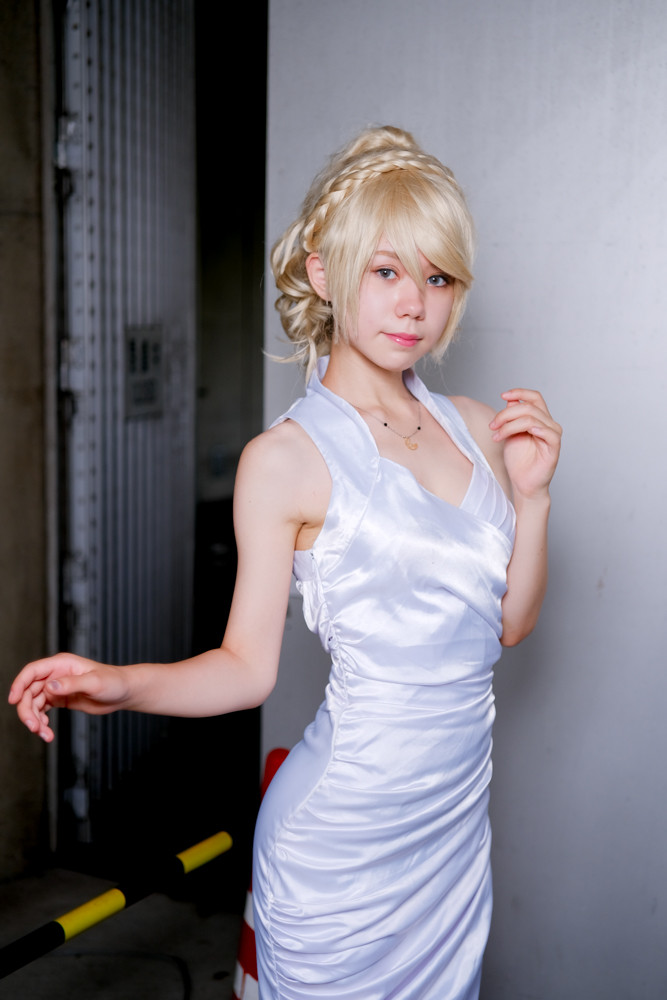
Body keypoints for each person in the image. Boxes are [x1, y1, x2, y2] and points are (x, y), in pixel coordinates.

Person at [10, 125, 561, 999]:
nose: (413, 304)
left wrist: (531, 500)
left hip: (452, 842)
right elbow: (245, 669)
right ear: (323, 274)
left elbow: (506, 626)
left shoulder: (473, 425)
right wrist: (120, 685)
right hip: (338, 851)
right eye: (385, 271)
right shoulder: (285, 460)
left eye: (436, 278)